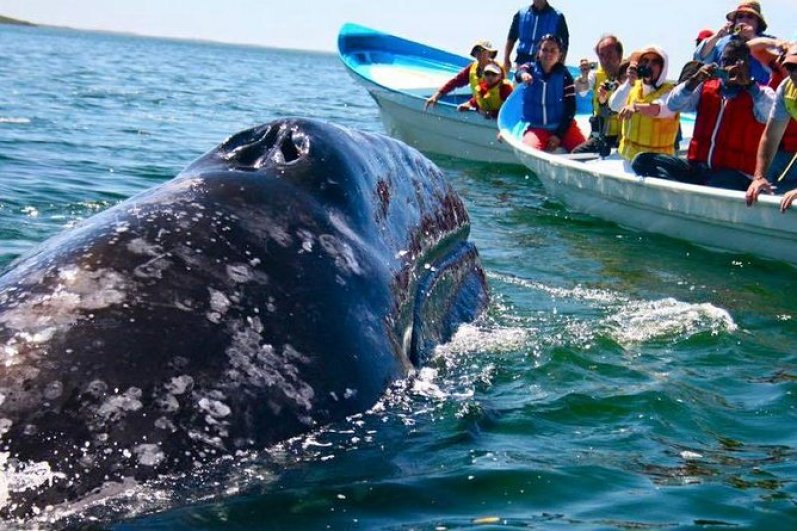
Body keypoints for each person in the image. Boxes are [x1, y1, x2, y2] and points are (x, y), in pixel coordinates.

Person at [632, 39, 775, 190]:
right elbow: (673, 104)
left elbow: (769, 115)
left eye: (736, 62)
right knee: (642, 161)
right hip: (698, 169)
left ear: (747, 64)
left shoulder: (762, 93)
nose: (730, 66)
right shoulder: (704, 87)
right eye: (726, 61)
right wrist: (694, 80)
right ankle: (677, 197)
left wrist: (750, 86)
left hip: (736, 175)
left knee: (717, 182)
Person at [746, 43, 797, 210]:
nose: (794, 74)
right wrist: (758, 177)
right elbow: (771, 136)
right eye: (791, 67)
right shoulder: (786, 88)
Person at [608, 46, 680, 164]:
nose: (648, 65)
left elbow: (660, 108)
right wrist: (629, 82)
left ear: (662, 68)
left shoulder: (671, 93)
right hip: (627, 158)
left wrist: (635, 107)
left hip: (657, 163)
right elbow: (614, 105)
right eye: (645, 61)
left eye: (654, 62)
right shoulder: (632, 87)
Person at [515, 34, 586, 153]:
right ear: (539, 52)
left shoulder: (565, 75)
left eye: (553, 50)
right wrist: (523, 75)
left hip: (563, 128)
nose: (548, 54)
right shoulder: (529, 68)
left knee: (585, 153)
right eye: (545, 50)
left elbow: (571, 108)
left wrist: (558, 135)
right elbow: (519, 72)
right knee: (530, 151)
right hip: (537, 129)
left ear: (559, 55)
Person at [694, 1, 774, 84]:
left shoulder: (769, 41)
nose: (744, 20)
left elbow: (775, 67)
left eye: (750, 16)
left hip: (759, 92)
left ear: (758, 22)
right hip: (724, 93)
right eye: (740, 16)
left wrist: (752, 37)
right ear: (735, 21)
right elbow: (700, 58)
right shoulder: (723, 41)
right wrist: (717, 36)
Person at [572, 35, 624, 155]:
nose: (606, 59)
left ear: (619, 55)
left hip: (624, 137)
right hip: (601, 135)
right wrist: (584, 76)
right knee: (577, 153)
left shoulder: (630, 74)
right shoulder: (594, 75)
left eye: (610, 54)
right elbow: (581, 90)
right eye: (602, 55)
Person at [425, 40, 498, 110]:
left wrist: (470, 103)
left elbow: (492, 93)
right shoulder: (472, 68)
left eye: (482, 50)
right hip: (479, 108)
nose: (479, 53)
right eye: (477, 50)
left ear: (490, 53)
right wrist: (436, 96)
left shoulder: (496, 69)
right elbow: (455, 82)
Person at [503, 0, 569, 74]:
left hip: (546, 63)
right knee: (520, 84)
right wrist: (506, 58)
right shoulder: (521, 14)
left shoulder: (558, 16)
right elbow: (511, 37)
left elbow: (564, 43)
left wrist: (560, 64)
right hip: (522, 61)